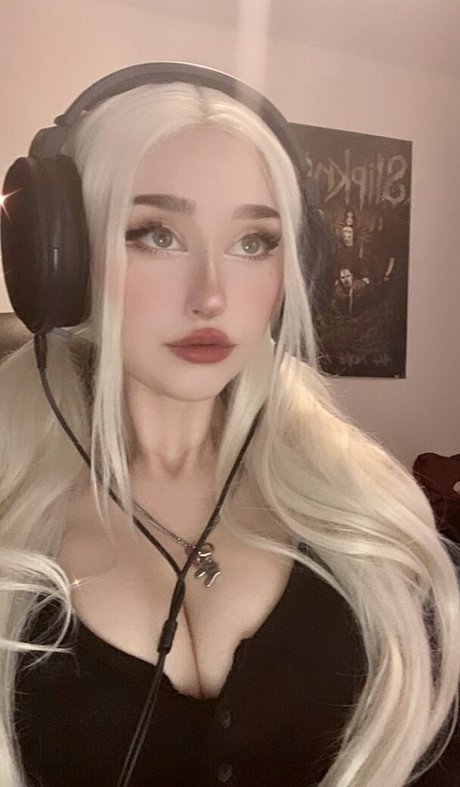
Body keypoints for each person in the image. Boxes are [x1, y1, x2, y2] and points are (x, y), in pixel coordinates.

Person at [0, 64, 459, 787]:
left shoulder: (366, 512)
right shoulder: (11, 508)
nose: (212, 296)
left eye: (253, 243)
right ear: (59, 257)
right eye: (156, 234)